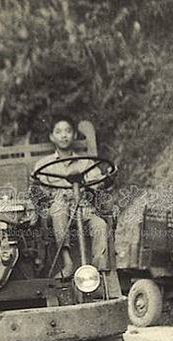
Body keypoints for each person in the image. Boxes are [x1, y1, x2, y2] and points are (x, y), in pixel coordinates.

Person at [32, 116, 109, 278]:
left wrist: (104, 181)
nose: (64, 135)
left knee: (100, 225)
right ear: (52, 137)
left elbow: (97, 183)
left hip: (83, 207)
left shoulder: (85, 162)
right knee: (58, 209)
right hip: (58, 209)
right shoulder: (44, 164)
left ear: (74, 135)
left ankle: (97, 274)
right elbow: (37, 190)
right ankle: (67, 263)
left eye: (68, 131)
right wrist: (46, 195)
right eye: (59, 132)